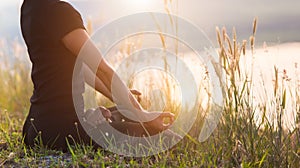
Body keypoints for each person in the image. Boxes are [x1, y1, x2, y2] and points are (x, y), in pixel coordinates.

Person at [21, 0, 175, 151]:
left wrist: (120, 97)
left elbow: (81, 68)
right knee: (168, 139)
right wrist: (143, 117)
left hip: (35, 127)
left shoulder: (30, 8)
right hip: (64, 130)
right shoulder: (60, 12)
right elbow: (101, 69)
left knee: (124, 111)